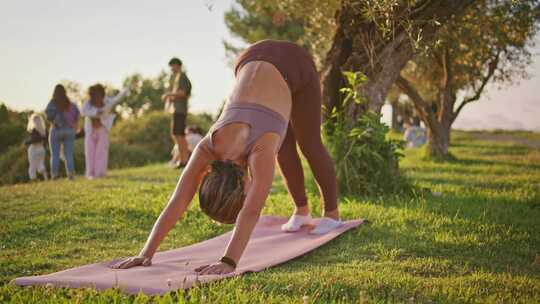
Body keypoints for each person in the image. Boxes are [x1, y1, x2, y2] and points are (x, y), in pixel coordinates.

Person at [112, 40, 340, 275]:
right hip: (249, 56)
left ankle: (332, 215)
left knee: (309, 143)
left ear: (242, 182)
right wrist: (145, 253)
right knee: (283, 146)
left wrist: (228, 261)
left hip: (294, 62)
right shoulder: (208, 146)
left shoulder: (260, 148)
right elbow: (178, 201)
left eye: (245, 194)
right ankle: (302, 213)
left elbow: (250, 212)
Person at [81, 84, 128, 179]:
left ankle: (100, 173)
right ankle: (90, 174)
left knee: (101, 152)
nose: (97, 98)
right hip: (91, 130)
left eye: (99, 95)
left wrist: (127, 89)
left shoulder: (107, 101)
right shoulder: (87, 104)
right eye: (94, 96)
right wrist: (96, 112)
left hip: (102, 129)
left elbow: (118, 98)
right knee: (90, 152)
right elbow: (84, 112)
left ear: (102, 95)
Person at [45, 84, 80, 180]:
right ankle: (71, 174)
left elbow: (48, 116)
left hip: (56, 130)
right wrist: (74, 125)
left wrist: (55, 121)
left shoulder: (52, 103)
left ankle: (55, 175)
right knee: (68, 153)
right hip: (69, 130)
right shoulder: (69, 103)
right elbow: (77, 114)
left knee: (55, 155)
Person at [162, 57, 192, 168]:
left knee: (178, 135)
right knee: (178, 135)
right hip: (177, 110)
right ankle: (183, 160)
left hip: (180, 110)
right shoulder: (177, 78)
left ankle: (184, 161)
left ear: (178, 65)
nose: (171, 69)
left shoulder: (182, 77)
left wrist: (168, 95)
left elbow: (183, 93)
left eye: (172, 66)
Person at [25, 113, 48, 181]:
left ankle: (33, 178)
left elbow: (34, 140)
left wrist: (26, 142)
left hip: (34, 149)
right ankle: (45, 177)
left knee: (32, 164)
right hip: (41, 149)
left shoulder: (34, 130)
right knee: (41, 164)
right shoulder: (44, 130)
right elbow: (45, 140)